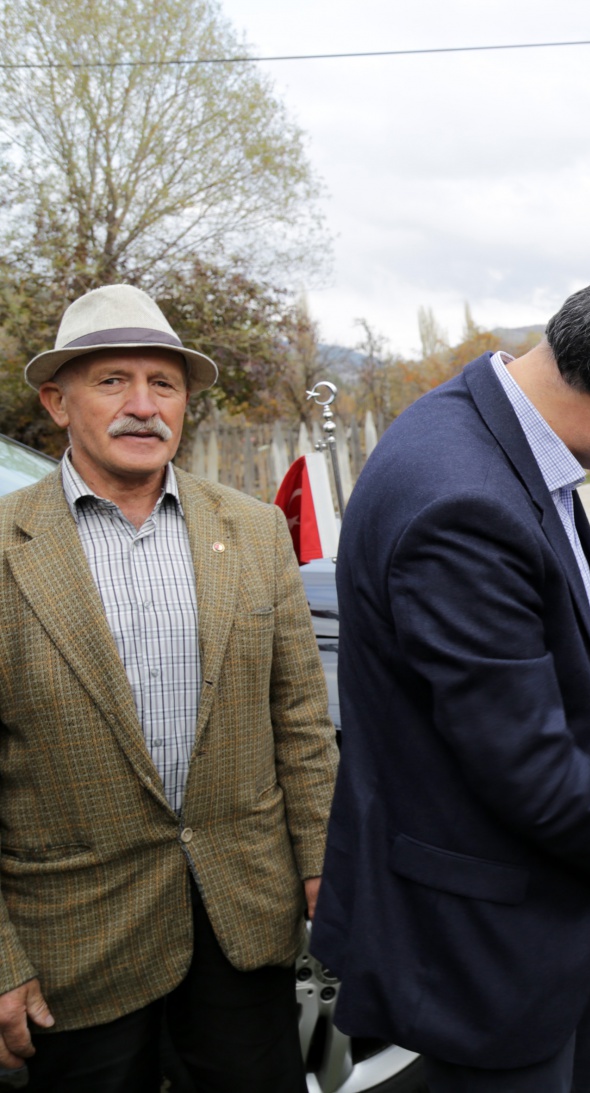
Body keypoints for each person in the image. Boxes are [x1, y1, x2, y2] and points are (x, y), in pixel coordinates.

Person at [311, 271, 590, 1093]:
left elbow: (556, 581)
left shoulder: (492, 426)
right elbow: (526, 765)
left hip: (547, 906)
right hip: (482, 936)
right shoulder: (460, 500)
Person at [0, 284, 338, 1091]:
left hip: (242, 922)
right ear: (57, 400)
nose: (143, 406)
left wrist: (326, 867)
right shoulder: (8, 548)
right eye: (113, 380)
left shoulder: (254, 529)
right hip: (76, 949)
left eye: (165, 384)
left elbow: (299, 721)